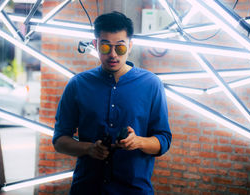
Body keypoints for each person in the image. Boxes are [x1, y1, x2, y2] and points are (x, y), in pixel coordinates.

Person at [52, 11, 172, 195]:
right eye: (106, 47)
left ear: (130, 46)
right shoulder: (77, 84)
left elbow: (163, 140)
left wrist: (138, 141)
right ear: (95, 45)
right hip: (87, 189)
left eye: (120, 48)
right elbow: (60, 140)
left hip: (134, 190)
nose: (113, 55)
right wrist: (89, 148)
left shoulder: (151, 84)